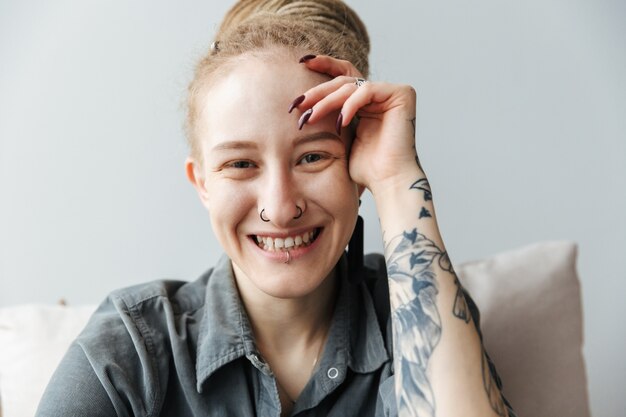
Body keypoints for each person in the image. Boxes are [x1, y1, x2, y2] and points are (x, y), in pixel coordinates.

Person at [36, 1, 516, 416]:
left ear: (357, 167)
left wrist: (396, 181)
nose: (280, 209)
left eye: (312, 156)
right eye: (241, 163)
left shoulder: (415, 314)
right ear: (201, 183)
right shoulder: (131, 350)